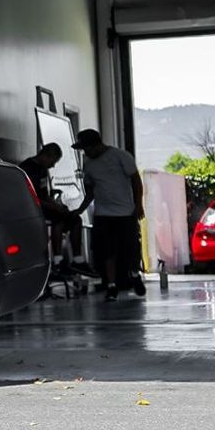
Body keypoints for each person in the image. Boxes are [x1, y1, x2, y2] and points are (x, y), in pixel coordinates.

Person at [74, 129, 145, 302]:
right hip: (103, 214)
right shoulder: (89, 165)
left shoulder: (121, 156)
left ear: (96, 145)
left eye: (87, 148)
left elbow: (136, 181)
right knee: (107, 251)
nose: (85, 152)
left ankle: (135, 274)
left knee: (131, 248)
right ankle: (111, 286)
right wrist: (80, 210)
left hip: (125, 212)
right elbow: (90, 192)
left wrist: (139, 205)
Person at [19, 143, 82, 265]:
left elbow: (43, 194)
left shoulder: (42, 169)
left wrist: (58, 205)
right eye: (53, 161)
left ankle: (78, 259)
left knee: (75, 219)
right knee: (58, 218)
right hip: (30, 206)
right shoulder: (28, 168)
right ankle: (58, 259)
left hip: (42, 203)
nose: (53, 166)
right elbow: (32, 197)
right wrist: (54, 207)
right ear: (46, 156)